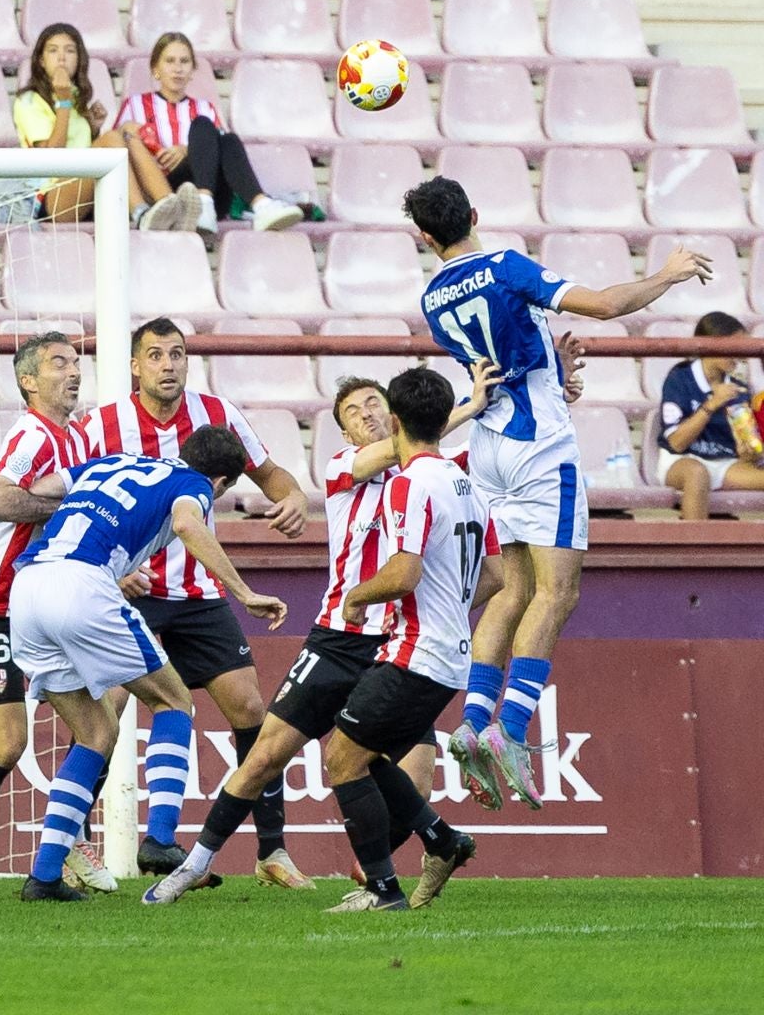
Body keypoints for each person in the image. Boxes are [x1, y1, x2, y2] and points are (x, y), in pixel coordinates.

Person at [142, 369, 503, 910]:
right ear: (344, 436)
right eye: (352, 412)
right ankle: (193, 866)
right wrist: (469, 407)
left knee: (407, 771)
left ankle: (401, 865)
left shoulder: (437, 478)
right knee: (265, 755)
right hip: (339, 638)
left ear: (395, 413)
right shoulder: (343, 470)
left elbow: (487, 572)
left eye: (374, 402)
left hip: (401, 645)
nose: (366, 413)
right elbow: (400, 450)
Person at [405, 175, 711, 810]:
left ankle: (473, 720)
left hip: (487, 443)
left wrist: (551, 361)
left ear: (427, 237)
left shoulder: (434, 295)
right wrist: (668, 274)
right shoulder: (506, 265)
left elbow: (497, 357)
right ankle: (510, 734)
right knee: (558, 592)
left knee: (511, 589)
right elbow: (601, 305)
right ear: (476, 215)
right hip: (541, 446)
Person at [71, 316, 312, 884]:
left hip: (197, 592)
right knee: (105, 715)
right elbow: (71, 497)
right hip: (129, 593)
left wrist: (295, 497)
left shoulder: (217, 415)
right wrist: (109, 566)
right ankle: (78, 842)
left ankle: (271, 852)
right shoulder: (102, 425)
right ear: (134, 366)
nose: (168, 364)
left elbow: (270, 472)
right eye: (154, 355)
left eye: (176, 353)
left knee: (251, 710)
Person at [10, 428, 278, 902]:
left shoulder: (108, 463)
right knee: (174, 701)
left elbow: (43, 489)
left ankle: (45, 876)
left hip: (28, 587)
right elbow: (189, 526)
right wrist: (245, 592)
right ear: (220, 482)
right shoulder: (193, 485)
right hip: (83, 583)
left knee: (96, 733)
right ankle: (160, 840)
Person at [0, 333, 89, 900]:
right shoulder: (31, 434)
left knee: (99, 725)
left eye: (76, 362)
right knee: (7, 745)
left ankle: (68, 843)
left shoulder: (73, 437)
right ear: (29, 380)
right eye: (59, 364)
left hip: (50, 609)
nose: (74, 371)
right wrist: (57, 502)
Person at [115, 32, 305, 241]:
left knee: (226, 138)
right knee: (206, 126)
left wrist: (187, 150)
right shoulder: (135, 105)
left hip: (212, 195)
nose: (178, 68)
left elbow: (224, 153)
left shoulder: (204, 107)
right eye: (170, 61)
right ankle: (242, 204)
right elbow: (117, 149)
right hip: (164, 192)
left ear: (192, 71)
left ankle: (256, 205)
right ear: (155, 70)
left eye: (184, 62)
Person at [13, 22, 198, 228]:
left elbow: (83, 154)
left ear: (79, 59)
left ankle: (169, 205)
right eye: (53, 51)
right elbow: (52, 156)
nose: (62, 57)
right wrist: (63, 103)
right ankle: (140, 213)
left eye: (70, 51)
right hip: (51, 199)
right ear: (41, 61)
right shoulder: (29, 100)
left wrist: (93, 129)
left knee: (128, 134)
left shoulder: (75, 98)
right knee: (112, 139)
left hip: (84, 193)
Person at [658, 311, 764, 520]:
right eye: (734, 348)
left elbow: (744, 450)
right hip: (681, 460)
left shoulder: (739, 388)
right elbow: (677, 443)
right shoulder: (680, 378)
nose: (741, 356)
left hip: (725, 463)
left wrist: (748, 452)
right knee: (697, 474)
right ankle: (692, 551)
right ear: (710, 345)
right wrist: (712, 404)